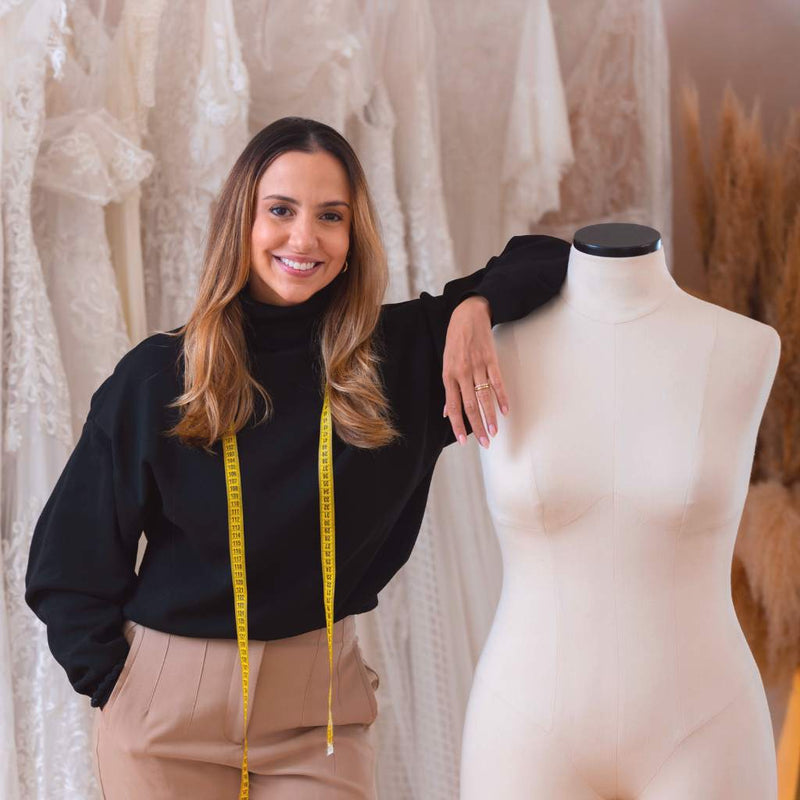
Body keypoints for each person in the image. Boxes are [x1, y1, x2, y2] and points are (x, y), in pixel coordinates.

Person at [25, 116, 570, 799]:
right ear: (241, 221)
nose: (305, 238)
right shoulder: (160, 378)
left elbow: (553, 256)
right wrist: (120, 688)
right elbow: (66, 565)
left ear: (353, 234)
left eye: (330, 216)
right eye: (280, 210)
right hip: (165, 715)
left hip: (319, 717)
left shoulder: (399, 357)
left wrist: (474, 308)